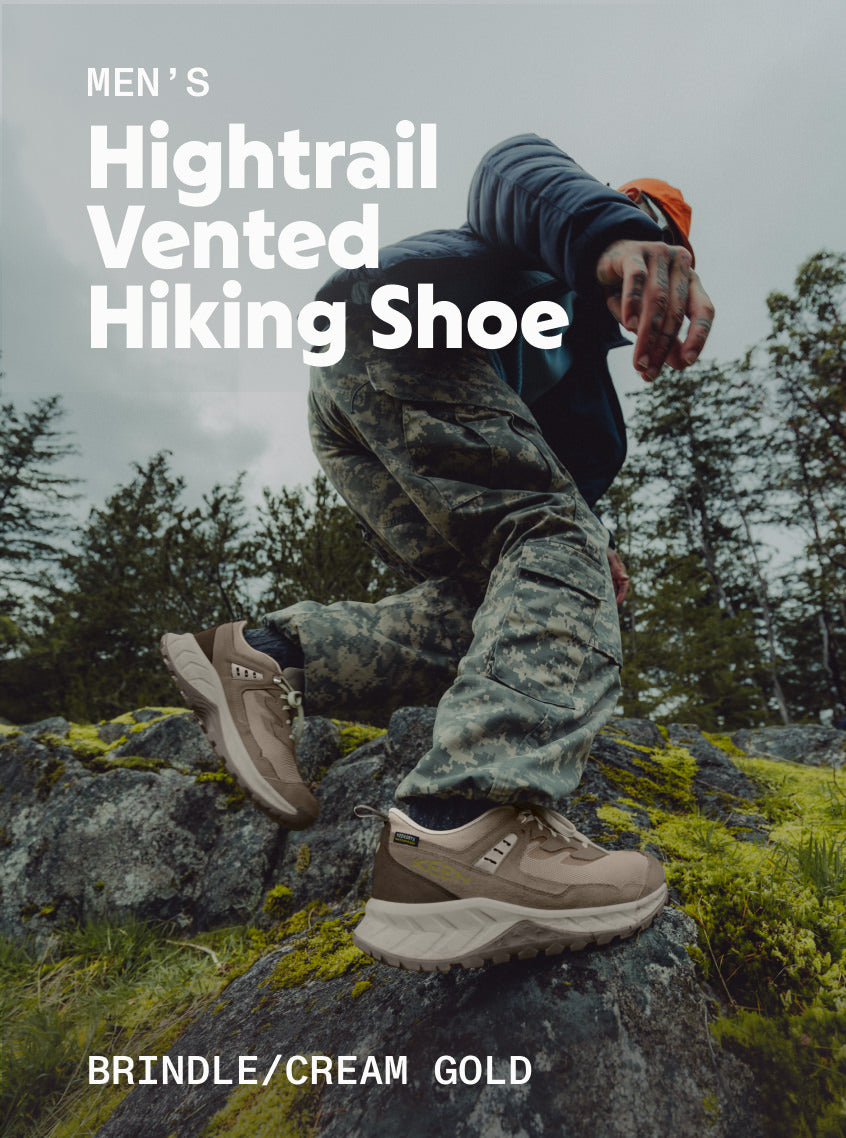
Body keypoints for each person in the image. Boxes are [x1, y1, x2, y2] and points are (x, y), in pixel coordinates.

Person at [161, 134, 714, 971]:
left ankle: (268, 656)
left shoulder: (589, 410)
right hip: (404, 326)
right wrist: (608, 226)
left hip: (358, 386)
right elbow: (514, 166)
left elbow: (541, 526)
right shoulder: (533, 237)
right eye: (647, 238)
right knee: (552, 539)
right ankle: (470, 820)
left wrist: (582, 549)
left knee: (499, 600)